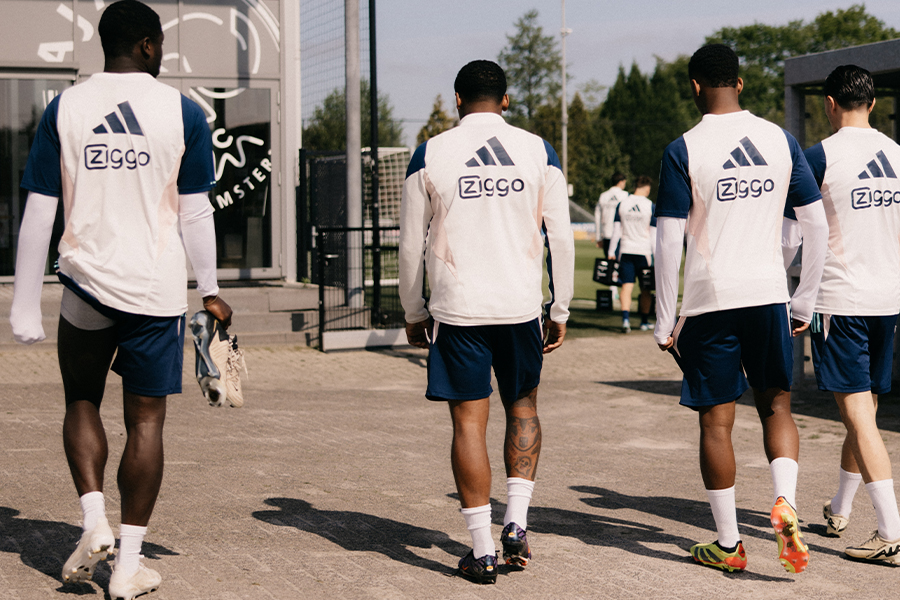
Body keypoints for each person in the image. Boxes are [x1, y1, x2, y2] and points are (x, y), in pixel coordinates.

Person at [9, 1, 232, 597]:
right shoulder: (182, 111)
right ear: (150, 47)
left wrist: (24, 303)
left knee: (81, 400)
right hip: (155, 290)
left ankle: (93, 521)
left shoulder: (66, 107)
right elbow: (196, 212)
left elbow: (39, 209)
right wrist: (209, 290)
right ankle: (128, 565)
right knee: (146, 421)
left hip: (84, 283)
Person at [654, 44, 829, 574]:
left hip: (710, 300)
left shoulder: (683, 148)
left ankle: (729, 546)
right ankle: (785, 503)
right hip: (769, 294)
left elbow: (667, 242)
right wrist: (804, 297)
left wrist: (665, 318)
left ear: (694, 86)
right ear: (741, 83)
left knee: (716, 423)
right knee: (777, 405)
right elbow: (814, 224)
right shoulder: (780, 139)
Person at [399, 59, 574, 584]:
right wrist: (559, 307)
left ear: (456, 100)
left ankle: (480, 551)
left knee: (467, 424)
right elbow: (559, 236)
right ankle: (516, 523)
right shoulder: (537, 149)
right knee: (523, 406)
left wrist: (413, 310)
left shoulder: (431, 152)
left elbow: (412, 243)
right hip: (520, 306)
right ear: (504, 100)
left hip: (458, 309)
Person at [784, 65, 900, 564]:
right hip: (887, 300)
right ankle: (840, 507)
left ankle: (891, 531)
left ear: (829, 103)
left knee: (857, 413)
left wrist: (791, 286)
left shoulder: (818, 155)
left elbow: (791, 236)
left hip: (841, 300)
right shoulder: (897, 155)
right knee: (866, 410)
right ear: (872, 103)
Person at [608, 175, 656, 332]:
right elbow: (654, 235)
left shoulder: (623, 204)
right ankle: (643, 322)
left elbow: (616, 231)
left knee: (626, 287)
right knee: (646, 289)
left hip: (626, 251)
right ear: (647, 189)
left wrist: (611, 251)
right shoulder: (650, 206)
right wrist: (657, 256)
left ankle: (625, 321)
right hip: (644, 252)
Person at [595, 172, 628, 256]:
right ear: (621, 182)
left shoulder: (603, 196)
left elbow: (597, 218)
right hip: (621, 236)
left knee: (610, 264)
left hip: (607, 234)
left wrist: (598, 237)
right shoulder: (625, 196)